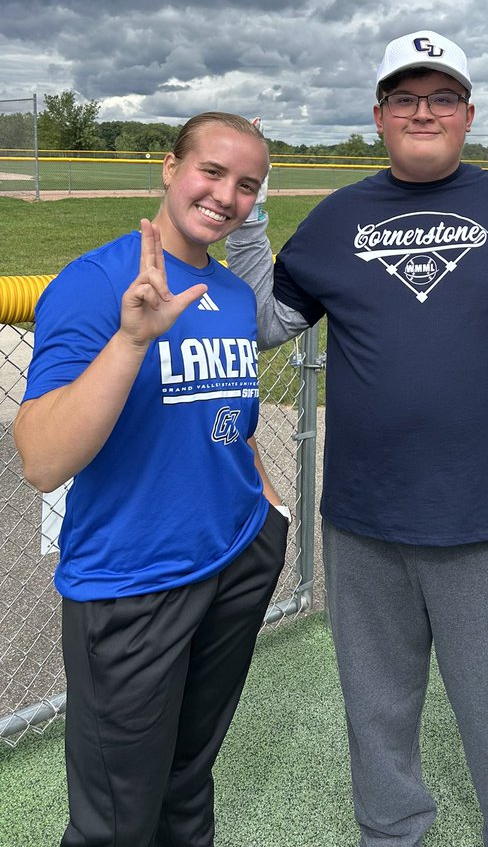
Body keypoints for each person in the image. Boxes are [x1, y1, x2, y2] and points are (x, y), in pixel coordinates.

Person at [226, 31, 488, 847]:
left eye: (442, 96)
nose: (424, 111)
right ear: (379, 116)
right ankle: (391, 834)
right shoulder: (338, 217)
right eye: (406, 98)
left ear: (468, 115)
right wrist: (251, 224)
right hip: (363, 517)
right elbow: (269, 322)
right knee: (377, 708)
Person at [13, 113, 289, 847]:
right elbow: (41, 460)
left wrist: (266, 511)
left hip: (235, 556)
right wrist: (133, 340)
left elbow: (231, 418)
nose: (226, 196)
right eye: (212, 172)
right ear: (171, 169)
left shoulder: (230, 295)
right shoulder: (95, 284)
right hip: (133, 580)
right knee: (115, 818)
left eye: (246, 185)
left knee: (188, 780)